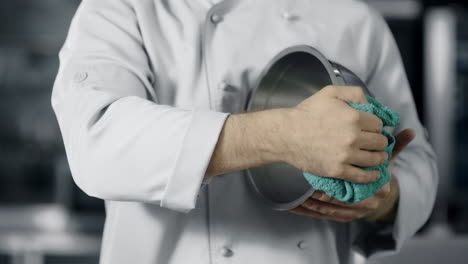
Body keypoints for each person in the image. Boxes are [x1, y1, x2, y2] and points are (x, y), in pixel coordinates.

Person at [51, 0, 438, 263]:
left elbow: (415, 158)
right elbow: (97, 140)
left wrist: (383, 198)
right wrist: (285, 135)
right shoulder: (126, 7)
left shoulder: (354, 19)